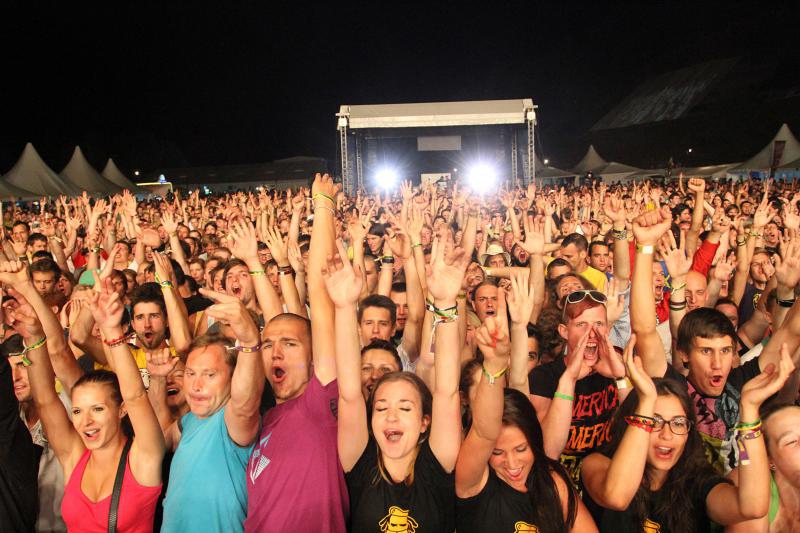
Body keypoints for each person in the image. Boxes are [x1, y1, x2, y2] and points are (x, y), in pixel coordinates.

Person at [5, 261, 166, 532]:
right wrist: (33, 337)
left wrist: (113, 332)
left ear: (121, 410)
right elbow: (46, 399)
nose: (85, 421)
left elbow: (136, 395)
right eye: (77, 411)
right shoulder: (76, 456)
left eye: (98, 409)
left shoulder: (143, 457)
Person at [582, 333, 793, 532]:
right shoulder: (597, 463)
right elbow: (617, 496)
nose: (667, 434)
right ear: (634, 422)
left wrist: (749, 411)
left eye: (679, 423)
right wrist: (646, 401)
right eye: (654, 421)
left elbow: (752, 508)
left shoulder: (697, 482)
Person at [325, 235, 463, 532]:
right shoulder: (359, 463)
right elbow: (350, 394)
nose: (391, 416)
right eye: (381, 407)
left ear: (426, 422)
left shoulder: (437, 465)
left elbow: (447, 391)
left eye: (404, 408)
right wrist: (345, 307)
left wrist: (447, 303)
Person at [244, 173, 348, 533]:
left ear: (315, 358)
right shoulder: (264, 420)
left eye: (289, 345)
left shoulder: (320, 403)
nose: (275, 352)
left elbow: (320, 299)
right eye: (268, 344)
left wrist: (323, 207)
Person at [454, 309, 597, 532]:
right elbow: (484, 432)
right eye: (498, 453)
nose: (512, 464)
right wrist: (494, 363)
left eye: (521, 449)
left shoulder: (552, 481)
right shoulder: (474, 483)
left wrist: (569, 378)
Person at [160, 289, 265, 533]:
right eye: (191, 374)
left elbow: (245, 404)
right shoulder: (189, 421)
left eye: (210, 375)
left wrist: (250, 342)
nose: (196, 386)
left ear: (232, 379)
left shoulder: (232, 423)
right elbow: (155, 444)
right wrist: (156, 381)